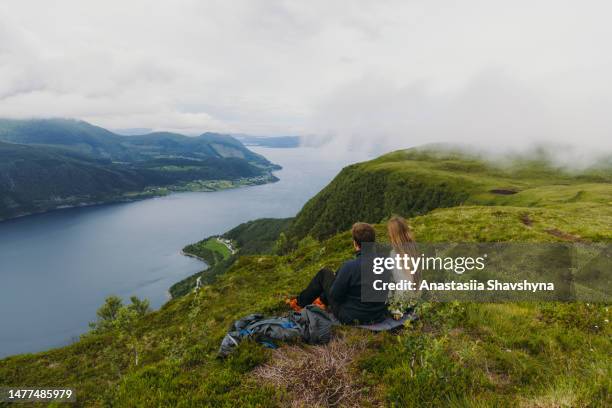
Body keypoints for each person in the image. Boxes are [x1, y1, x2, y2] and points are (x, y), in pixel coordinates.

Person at [291, 222, 387, 324]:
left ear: (355, 243)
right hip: (377, 315)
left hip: (350, 316)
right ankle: (321, 300)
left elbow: (335, 296)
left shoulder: (350, 266)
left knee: (325, 274)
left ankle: (299, 303)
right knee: (339, 276)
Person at [386, 215, 419, 319]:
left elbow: (403, 284)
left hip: (404, 302)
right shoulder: (416, 248)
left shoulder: (395, 254)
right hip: (417, 299)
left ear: (393, 235)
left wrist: (398, 309)